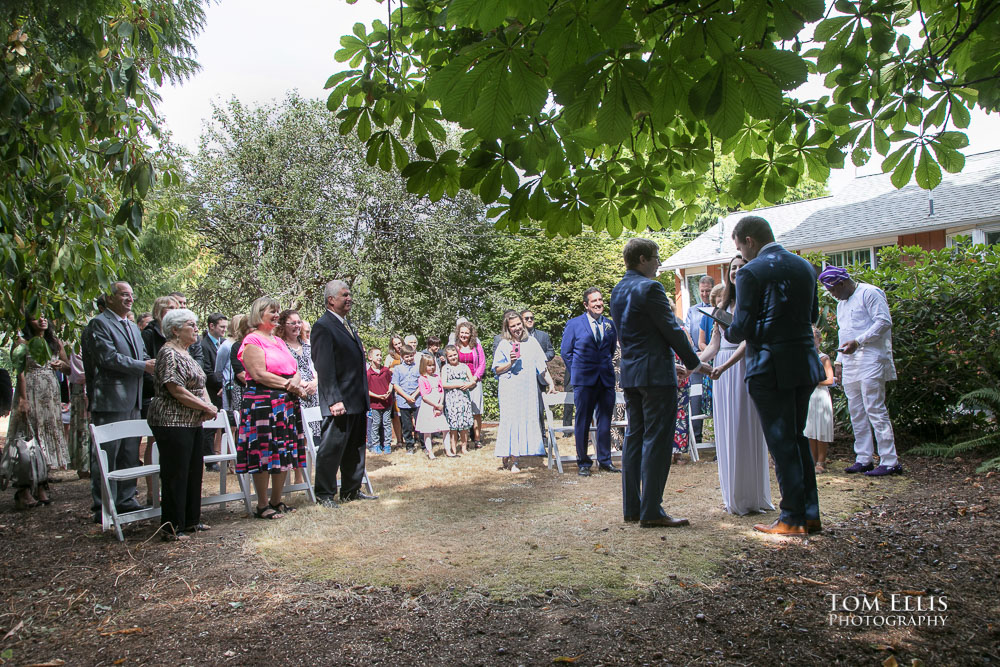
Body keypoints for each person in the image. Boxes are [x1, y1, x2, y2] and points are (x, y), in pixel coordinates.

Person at [726, 216, 826, 536]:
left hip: (769, 367)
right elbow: (812, 316)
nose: (740, 253)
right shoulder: (805, 267)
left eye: (739, 245)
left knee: (782, 444)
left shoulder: (750, 272)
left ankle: (792, 518)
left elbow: (739, 329)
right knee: (797, 439)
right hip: (805, 364)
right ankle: (810, 514)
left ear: (749, 241)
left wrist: (724, 323)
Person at [610, 239, 707, 527]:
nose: (658, 264)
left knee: (635, 436)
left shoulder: (617, 289)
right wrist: (694, 363)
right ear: (641, 259)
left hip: (632, 374)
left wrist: (674, 363)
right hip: (655, 376)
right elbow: (672, 331)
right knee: (658, 439)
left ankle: (632, 508)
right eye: (656, 258)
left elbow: (639, 336)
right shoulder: (650, 288)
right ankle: (652, 510)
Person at [701, 255, 775, 515]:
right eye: (733, 268)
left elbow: (748, 342)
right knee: (727, 429)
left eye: (742, 267)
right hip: (721, 370)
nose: (737, 271)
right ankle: (733, 495)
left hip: (743, 367)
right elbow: (713, 345)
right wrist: (693, 364)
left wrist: (724, 366)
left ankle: (752, 496)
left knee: (747, 426)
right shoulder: (722, 305)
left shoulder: (755, 302)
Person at [819, 265, 902, 476]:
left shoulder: (870, 293)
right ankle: (864, 458)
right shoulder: (842, 304)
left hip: (872, 358)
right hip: (850, 361)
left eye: (834, 290)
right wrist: (838, 361)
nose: (834, 296)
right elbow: (843, 333)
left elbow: (883, 322)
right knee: (856, 411)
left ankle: (890, 460)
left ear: (843, 283)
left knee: (874, 407)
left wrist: (859, 341)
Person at [83, 282, 155, 521]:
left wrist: (152, 363)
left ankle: (126, 499)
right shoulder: (99, 324)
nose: (129, 299)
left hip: (133, 400)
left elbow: (142, 356)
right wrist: (143, 366)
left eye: (131, 295)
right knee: (107, 454)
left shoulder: (133, 327)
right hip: (111, 400)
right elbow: (108, 358)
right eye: (124, 295)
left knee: (129, 452)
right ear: (110, 298)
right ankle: (103, 506)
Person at [147, 309, 218, 540]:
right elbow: (175, 388)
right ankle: (171, 527)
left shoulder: (186, 353)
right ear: (175, 330)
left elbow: (200, 384)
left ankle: (190, 521)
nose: (197, 329)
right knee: (176, 473)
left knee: (193, 470)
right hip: (171, 420)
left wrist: (208, 406)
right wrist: (204, 407)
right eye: (191, 325)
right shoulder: (168, 353)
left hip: (191, 421)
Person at [237, 296, 308, 519]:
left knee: (282, 451)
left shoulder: (277, 341)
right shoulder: (252, 340)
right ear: (259, 314)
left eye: (278, 311)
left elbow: (294, 367)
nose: (277, 315)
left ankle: (277, 500)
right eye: (272, 311)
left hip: (285, 404)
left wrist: (295, 383)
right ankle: (262, 504)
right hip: (263, 404)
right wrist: (289, 385)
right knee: (264, 452)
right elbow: (258, 374)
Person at [310, 280, 376, 506]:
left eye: (350, 295)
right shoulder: (323, 326)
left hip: (356, 399)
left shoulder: (347, 325)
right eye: (344, 295)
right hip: (339, 401)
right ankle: (325, 494)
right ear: (331, 300)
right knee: (331, 448)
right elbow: (325, 367)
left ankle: (351, 490)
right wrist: (333, 399)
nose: (349, 299)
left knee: (355, 449)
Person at [6, 314, 71, 508]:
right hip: (31, 391)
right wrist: (23, 399)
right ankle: (24, 490)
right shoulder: (21, 342)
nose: (41, 320)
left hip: (50, 394)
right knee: (28, 437)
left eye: (44, 317)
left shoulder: (54, 342)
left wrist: (62, 365)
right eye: (35, 318)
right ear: (28, 322)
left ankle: (42, 485)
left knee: (46, 438)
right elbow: (20, 371)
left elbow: (68, 369)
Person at [560, 287, 618, 477]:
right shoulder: (574, 324)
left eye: (600, 300)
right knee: (583, 421)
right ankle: (583, 462)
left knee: (605, 421)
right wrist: (578, 371)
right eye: (594, 301)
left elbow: (610, 351)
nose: (598, 303)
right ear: (586, 305)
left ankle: (605, 460)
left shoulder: (609, 325)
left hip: (606, 380)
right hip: (584, 381)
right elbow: (566, 353)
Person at [493, 311, 556, 472]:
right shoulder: (503, 344)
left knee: (524, 419)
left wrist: (551, 384)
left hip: (527, 390)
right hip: (509, 389)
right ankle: (511, 457)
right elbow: (497, 369)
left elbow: (542, 368)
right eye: (513, 326)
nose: (517, 328)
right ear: (508, 328)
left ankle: (514, 457)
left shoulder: (532, 342)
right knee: (511, 420)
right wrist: (511, 362)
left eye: (518, 324)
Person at [684, 276, 715, 443]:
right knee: (696, 397)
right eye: (702, 291)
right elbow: (687, 334)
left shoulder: (719, 308)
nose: (704, 294)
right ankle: (697, 437)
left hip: (718, 358)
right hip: (698, 358)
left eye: (708, 291)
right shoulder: (693, 310)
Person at [804, 326, 836, 474]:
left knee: (821, 430)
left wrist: (814, 381)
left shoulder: (824, 358)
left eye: (813, 338)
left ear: (819, 340)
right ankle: (812, 459)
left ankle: (821, 461)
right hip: (809, 396)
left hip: (820, 395)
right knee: (810, 429)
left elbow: (830, 380)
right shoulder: (804, 356)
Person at [199, 312, 228, 471]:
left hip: (225, 391)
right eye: (221, 327)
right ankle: (210, 461)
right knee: (210, 427)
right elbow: (207, 372)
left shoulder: (223, 343)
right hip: (211, 391)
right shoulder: (203, 345)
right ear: (211, 326)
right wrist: (222, 384)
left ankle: (222, 455)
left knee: (224, 425)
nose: (224, 330)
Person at [453, 321, 486, 448]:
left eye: (467, 333)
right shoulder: (454, 346)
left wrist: (474, 379)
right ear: (458, 333)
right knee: (461, 412)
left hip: (475, 382)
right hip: (459, 384)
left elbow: (482, 363)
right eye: (462, 333)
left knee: (476, 412)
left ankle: (477, 439)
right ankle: (463, 441)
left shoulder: (477, 346)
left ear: (471, 334)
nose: (464, 335)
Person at [441, 344, 475, 455]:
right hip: (451, 399)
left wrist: (468, 384)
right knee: (453, 426)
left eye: (455, 355)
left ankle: (464, 447)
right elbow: (444, 384)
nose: (453, 357)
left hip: (464, 398)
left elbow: (472, 381)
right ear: (447, 357)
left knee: (464, 425)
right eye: (450, 356)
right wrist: (457, 384)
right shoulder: (445, 368)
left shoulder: (464, 367)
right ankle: (453, 448)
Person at [415, 355, 450, 458]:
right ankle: (430, 451)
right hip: (428, 407)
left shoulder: (437, 377)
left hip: (438, 406)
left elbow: (441, 391)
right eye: (429, 365)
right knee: (427, 431)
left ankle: (447, 450)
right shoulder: (422, 379)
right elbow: (424, 397)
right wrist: (435, 405)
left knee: (445, 428)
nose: (432, 368)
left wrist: (440, 404)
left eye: (433, 365)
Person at [391, 345, 421, 453]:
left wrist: (413, 395)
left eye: (411, 356)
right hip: (403, 401)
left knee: (419, 423)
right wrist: (407, 396)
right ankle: (410, 445)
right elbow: (396, 385)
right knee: (407, 425)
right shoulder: (398, 369)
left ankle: (423, 444)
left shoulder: (418, 367)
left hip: (417, 400)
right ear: (402, 357)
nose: (409, 359)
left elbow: (421, 383)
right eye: (407, 357)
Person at [366, 348, 393, 455]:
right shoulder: (368, 374)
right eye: (377, 355)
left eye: (381, 355)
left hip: (387, 402)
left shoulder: (385, 371)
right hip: (375, 404)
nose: (380, 357)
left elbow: (391, 382)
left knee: (386, 424)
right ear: (370, 357)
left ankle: (387, 445)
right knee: (376, 424)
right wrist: (377, 396)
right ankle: (376, 445)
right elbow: (366, 390)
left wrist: (389, 391)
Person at [386, 334, 405, 449]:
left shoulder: (407, 353)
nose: (398, 346)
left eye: (399, 343)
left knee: (409, 414)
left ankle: (414, 436)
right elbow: (384, 370)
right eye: (395, 344)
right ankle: (399, 439)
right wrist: (391, 370)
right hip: (396, 389)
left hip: (408, 387)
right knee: (397, 416)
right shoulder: (390, 357)